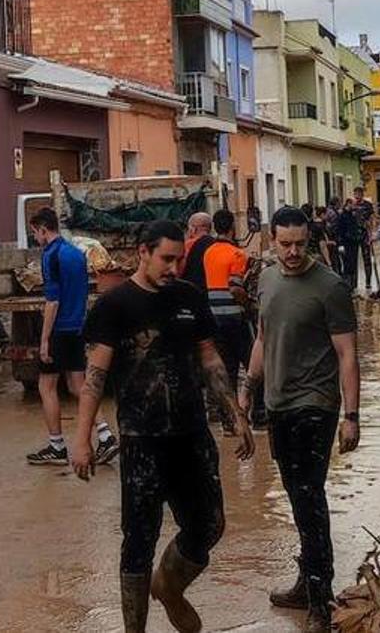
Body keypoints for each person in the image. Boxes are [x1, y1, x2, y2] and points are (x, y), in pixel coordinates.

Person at [71, 219, 251, 633]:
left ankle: (169, 588)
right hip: (141, 440)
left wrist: (234, 414)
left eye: (179, 259)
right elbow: (94, 377)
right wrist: (81, 439)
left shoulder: (189, 297)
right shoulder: (116, 306)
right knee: (138, 540)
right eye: (166, 259)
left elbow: (209, 358)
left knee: (209, 524)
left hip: (191, 435)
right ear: (143, 253)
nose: (173, 267)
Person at [246, 206, 361, 632]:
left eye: (300, 244)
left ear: (309, 240)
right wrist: (247, 388)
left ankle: (320, 598)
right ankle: (305, 580)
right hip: (277, 404)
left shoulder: (330, 287)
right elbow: (262, 337)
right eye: (285, 244)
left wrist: (351, 415)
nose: (293, 252)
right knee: (297, 498)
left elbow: (348, 354)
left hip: (316, 404)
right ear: (272, 240)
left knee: (310, 497)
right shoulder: (267, 278)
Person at [26, 208, 118, 465]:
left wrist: (44, 339)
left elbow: (52, 301)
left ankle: (56, 446)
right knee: (79, 386)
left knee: (47, 386)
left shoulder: (51, 255)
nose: (36, 238)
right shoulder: (77, 254)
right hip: (77, 326)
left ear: (44, 229)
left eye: (35, 232)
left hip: (59, 329)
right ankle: (105, 435)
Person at [202, 209, 250, 435]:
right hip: (235, 319)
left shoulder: (208, 253)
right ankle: (258, 416)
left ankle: (227, 423)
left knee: (225, 370)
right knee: (253, 367)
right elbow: (235, 287)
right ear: (232, 227)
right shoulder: (238, 254)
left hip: (213, 319)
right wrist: (247, 301)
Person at [351, 187, 378, 292]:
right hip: (353, 236)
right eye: (355, 193)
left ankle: (368, 282)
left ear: (362, 194)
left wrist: (372, 234)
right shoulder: (351, 205)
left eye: (358, 193)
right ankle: (354, 282)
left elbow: (372, 219)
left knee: (367, 259)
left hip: (365, 234)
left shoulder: (367, 205)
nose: (356, 195)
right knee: (353, 260)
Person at [181, 212, 216, 289]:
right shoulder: (216, 244)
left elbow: (180, 268)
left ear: (193, 229)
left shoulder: (188, 245)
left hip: (192, 289)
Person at [335, 198, 363, 290]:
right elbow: (339, 231)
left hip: (354, 243)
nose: (355, 207)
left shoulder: (352, 215)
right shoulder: (342, 216)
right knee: (347, 264)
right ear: (348, 204)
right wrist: (340, 244)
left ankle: (353, 285)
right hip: (346, 243)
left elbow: (356, 227)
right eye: (354, 204)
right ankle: (347, 285)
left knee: (353, 263)